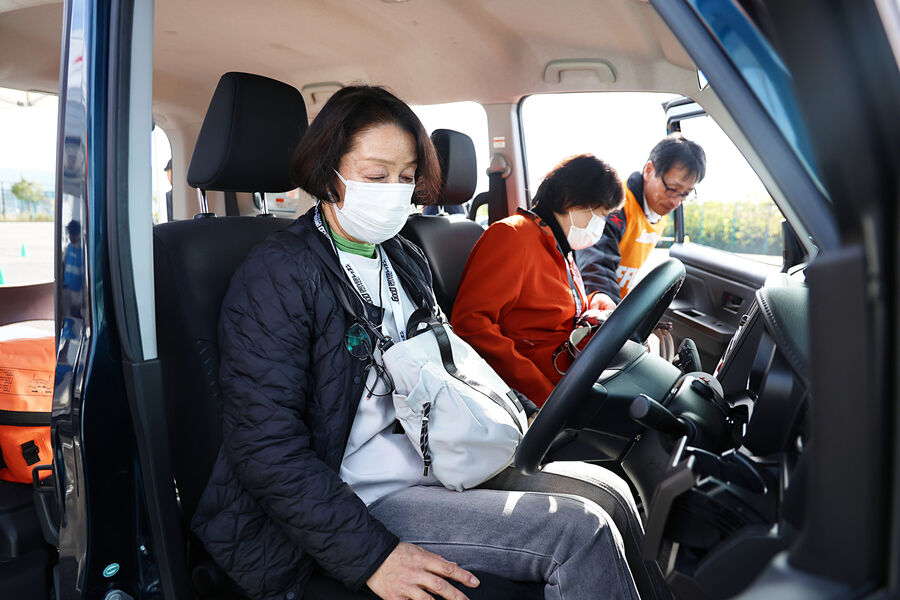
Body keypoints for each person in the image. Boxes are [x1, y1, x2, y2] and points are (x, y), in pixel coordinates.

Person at [191, 86, 640, 600]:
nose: (394, 191)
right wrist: (372, 555)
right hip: (362, 493)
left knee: (612, 494)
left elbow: (447, 363)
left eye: (406, 178)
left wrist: (516, 412)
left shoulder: (401, 256)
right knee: (578, 532)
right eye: (375, 176)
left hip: (434, 455)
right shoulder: (279, 273)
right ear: (328, 173)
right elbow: (265, 445)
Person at [451, 155, 624, 408]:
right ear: (572, 200)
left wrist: (593, 301)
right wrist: (544, 396)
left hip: (573, 376)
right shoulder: (513, 236)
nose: (602, 224)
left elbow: (548, 307)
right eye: (601, 214)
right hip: (543, 394)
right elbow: (471, 326)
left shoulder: (558, 244)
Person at [576, 134, 706, 308]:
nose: (676, 201)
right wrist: (611, 309)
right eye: (672, 189)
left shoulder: (658, 214)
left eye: (685, 194)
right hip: (591, 305)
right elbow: (595, 265)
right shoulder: (616, 206)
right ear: (649, 170)